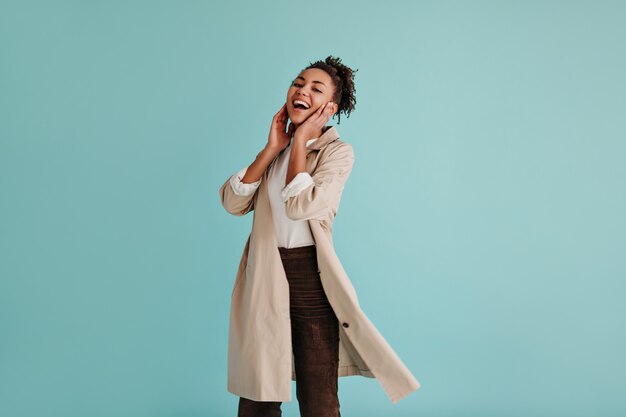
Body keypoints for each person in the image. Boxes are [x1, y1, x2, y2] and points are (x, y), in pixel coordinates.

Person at [219, 56, 420, 417]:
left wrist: (299, 145)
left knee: (319, 398)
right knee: (257, 396)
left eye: (316, 89)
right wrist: (271, 149)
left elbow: (301, 205)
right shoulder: (275, 152)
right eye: (298, 83)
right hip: (265, 275)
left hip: (312, 281)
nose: (302, 91)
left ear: (330, 107)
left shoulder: (338, 153)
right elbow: (233, 203)